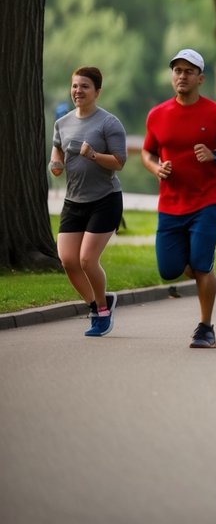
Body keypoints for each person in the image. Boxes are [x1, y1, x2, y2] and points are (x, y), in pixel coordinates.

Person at [142, 50, 216, 349]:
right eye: (177, 70)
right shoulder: (157, 115)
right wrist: (155, 167)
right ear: (172, 76)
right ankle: (201, 264)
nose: (182, 76)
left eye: (189, 71)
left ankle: (205, 327)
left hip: (207, 201)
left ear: (201, 78)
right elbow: (148, 153)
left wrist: (215, 155)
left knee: (201, 264)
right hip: (171, 204)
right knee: (169, 270)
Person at [50, 66, 127, 337]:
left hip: (105, 199)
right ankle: (97, 304)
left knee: (86, 259)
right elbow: (58, 146)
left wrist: (93, 155)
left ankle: (102, 313)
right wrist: (55, 162)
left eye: (84, 86)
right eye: (74, 86)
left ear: (97, 92)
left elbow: (119, 162)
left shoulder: (109, 123)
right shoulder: (63, 123)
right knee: (68, 260)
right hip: (74, 200)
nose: (78, 91)